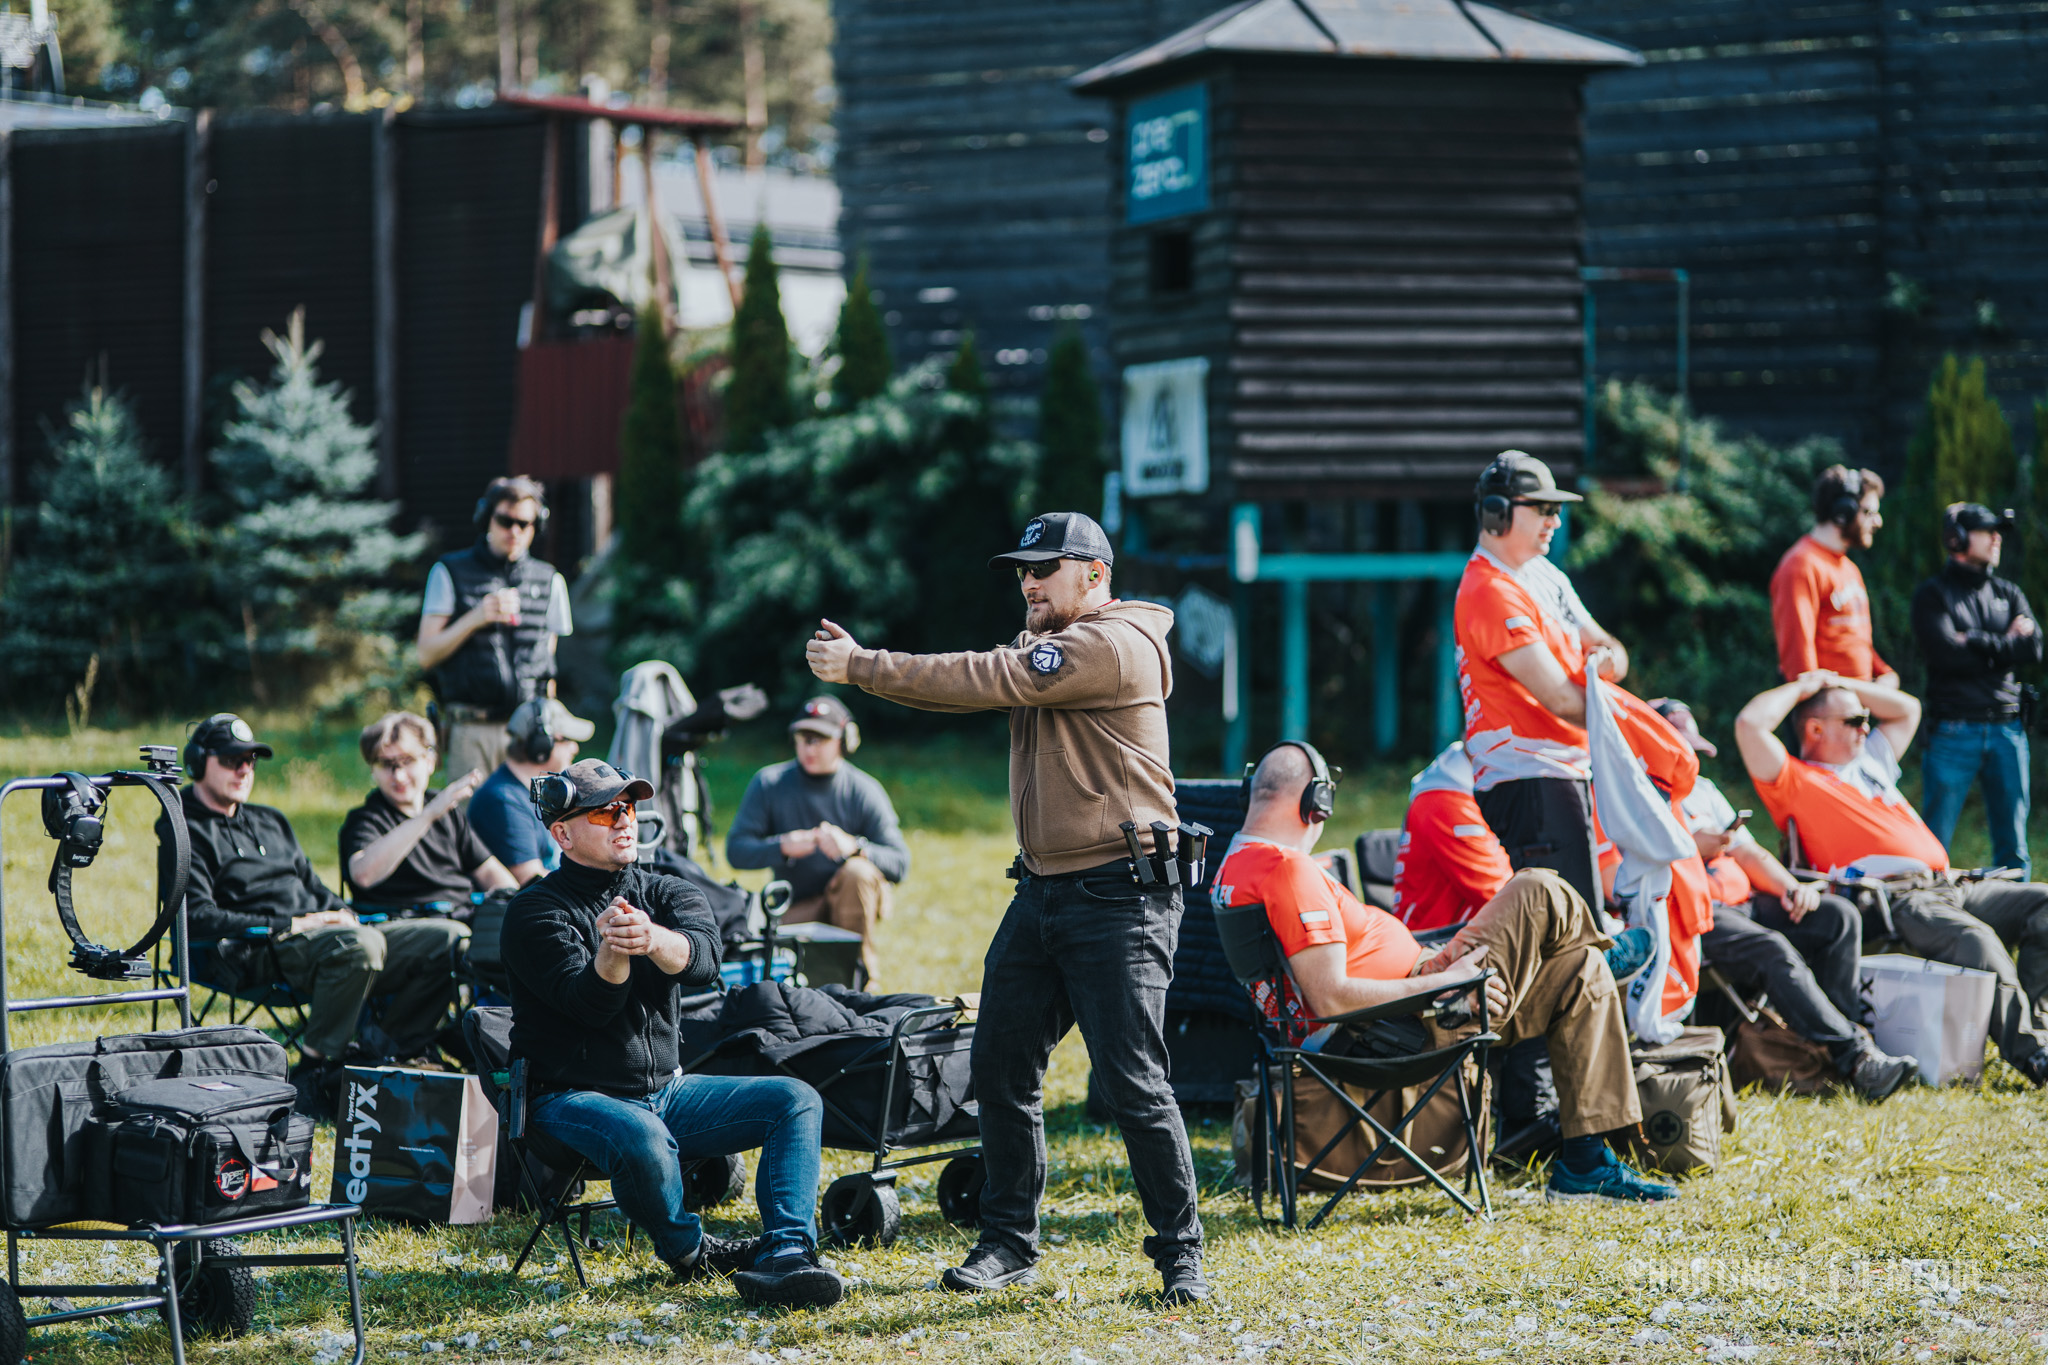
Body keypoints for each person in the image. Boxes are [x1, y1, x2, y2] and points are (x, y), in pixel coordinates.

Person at [805, 511, 1206, 1305]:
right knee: (998, 1064)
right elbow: (1001, 668)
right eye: (1022, 569)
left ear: (1094, 573)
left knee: (1133, 1082)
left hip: (1120, 901)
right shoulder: (1051, 646)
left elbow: (982, 677)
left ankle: (1181, 1253)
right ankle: (1008, 1243)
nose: (1027, 580)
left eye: (1045, 567)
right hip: (1044, 891)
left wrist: (860, 665)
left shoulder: (1109, 645)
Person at [1214, 743, 1674, 1204]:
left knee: (1582, 971)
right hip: (1408, 1025)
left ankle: (1584, 1164)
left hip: (1411, 1006)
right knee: (1537, 886)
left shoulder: (1238, 866)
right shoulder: (1288, 870)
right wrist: (1446, 983)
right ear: (1317, 802)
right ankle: (1604, 946)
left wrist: (1439, 972)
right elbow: (1331, 997)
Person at [501, 759, 843, 1307]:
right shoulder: (534, 912)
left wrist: (652, 940)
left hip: (665, 1091)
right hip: (564, 1100)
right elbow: (589, 1007)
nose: (624, 820)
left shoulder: (666, 889)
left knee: (795, 1100)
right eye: (605, 811)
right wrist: (613, 952)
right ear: (562, 833)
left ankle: (787, 1255)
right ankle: (691, 1254)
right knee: (640, 1133)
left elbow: (706, 960)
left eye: (630, 807)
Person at [1733, 672, 2048, 1085]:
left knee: (2042, 902)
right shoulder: (1795, 779)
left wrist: (1840, 680)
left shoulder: (1870, 761)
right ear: (1815, 729)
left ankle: (2037, 1024)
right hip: (1896, 897)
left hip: (1951, 884)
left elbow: (1907, 708)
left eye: (1866, 718)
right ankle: (2035, 1054)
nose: (1866, 726)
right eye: (1853, 720)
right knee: (1976, 940)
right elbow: (1748, 725)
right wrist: (1807, 686)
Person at [159, 714, 470, 1113]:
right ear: (199, 763)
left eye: (250, 760)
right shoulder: (183, 828)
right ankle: (315, 1069)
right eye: (231, 759)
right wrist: (291, 924)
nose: (243, 769)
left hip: (325, 937)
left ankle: (386, 1049)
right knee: (360, 946)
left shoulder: (269, 820)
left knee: (447, 938)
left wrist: (343, 913)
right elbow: (196, 918)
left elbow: (315, 887)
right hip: (252, 950)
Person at [1650, 699, 1917, 1100]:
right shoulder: (1636, 794)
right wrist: (1690, 845)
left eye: (1692, 748)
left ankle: (1843, 1047)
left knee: (1837, 917)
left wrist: (1791, 888)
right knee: (1772, 948)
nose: (1687, 756)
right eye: (1677, 746)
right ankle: (1855, 1056)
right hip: (1691, 915)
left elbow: (1747, 852)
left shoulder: (1702, 789)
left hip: (1743, 901)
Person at [1454, 450, 1632, 912]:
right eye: (1544, 509)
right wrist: (1609, 688)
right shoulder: (1490, 590)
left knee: (1578, 929)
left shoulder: (1544, 575)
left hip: (1562, 771)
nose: (1554, 520)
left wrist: (1602, 664)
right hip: (1531, 778)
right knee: (1574, 940)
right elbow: (1561, 699)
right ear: (1498, 513)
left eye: (1557, 509)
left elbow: (1613, 650)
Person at [725, 697, 910, 985]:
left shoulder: (863, 789)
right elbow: (736, 851)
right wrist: (782, 846)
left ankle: (859, 980)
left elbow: (900, 864)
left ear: (844, 740)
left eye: (820, 739)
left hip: (850, 902)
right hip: (795, 908)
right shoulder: (770, 783)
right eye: (803, 738)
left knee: (858, 872)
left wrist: (855, 847)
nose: (810, 747)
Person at [1911, 502, 2040, 876]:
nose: (1997, 538)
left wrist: (1976, 641)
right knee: (1933, 843)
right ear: (1958, 538)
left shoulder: (2009, 592)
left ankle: (2019, 918)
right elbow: (1946, 655)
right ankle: (1927, 916)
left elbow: (2033, 648)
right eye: (1988, 531)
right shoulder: (1933, 595)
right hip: (1953, 731)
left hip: (2008, 730)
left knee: (2014, 846)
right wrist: (2004, 644)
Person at [417, 475, 574, 779]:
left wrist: (555, 729)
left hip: (530, 731)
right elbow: (425, 653)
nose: (514, 531)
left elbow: (547, 667)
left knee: (535, 824)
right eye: (505, 520)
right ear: (486, 519)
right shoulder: (450, 571)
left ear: (536, 527)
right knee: (471, 824)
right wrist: (475, 618)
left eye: (524, 524)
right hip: (473, 730)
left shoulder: (551, 580)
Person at [340, 711, 517, 910]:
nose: (398, 776)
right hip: (412, 927)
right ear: (373, 770)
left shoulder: (446, 810)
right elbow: (362, 875)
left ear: (430, 761)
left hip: (465, 916)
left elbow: (488, 872)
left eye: (407, 761)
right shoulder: (366, 820)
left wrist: (524, 905)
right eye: (386, 764)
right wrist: (428, 815)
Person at [1769, 465, 1899, 687]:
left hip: (1855, 703)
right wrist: (1819, 704)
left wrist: (1882, 672)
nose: (1878, 522)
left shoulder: (1849, 568)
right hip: (1827, 708)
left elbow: (1855, 639)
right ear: (1843, 512)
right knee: (1909, 711)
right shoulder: (1801, 565)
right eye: (1869, 512)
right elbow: (1798, 659)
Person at [470, 697, 595, 885]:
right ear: (542, 746)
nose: (574, 747)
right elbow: (530, 879)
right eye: (567, 739)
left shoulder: (533, 793)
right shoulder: (502, 801)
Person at [1390, 742, 1513, 932]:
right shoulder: (1446, 803)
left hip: (1464, 938)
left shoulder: (1465, 788)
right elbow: (1503, 895)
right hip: (1436, 944)